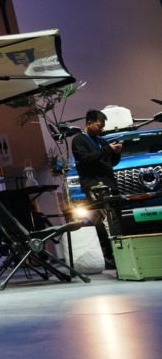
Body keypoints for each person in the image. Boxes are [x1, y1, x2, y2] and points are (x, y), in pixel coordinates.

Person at [71, 109, 122, 267]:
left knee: (115, 218)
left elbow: (111, 162)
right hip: (94, 185)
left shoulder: (102, 141)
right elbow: (85, 159)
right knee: (108, 219)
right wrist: (106, 150)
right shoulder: (79, 140)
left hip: (110, 184)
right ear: (89, 123)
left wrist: (117, 153)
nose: (101, 129)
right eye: (99, 126)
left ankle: (116, 253)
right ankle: (112, 254)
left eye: (103, 126)